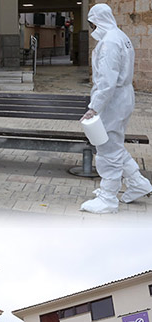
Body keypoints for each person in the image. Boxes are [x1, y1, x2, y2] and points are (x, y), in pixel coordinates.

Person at [81, 4, 152, 214]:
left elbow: (106, 81)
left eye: (92, 23)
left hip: (112, 100)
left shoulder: (109, 42)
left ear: (96, 21)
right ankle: (138, 182)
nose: (92, 27)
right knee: (115, 144)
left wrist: (94, 108)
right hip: (122, 96)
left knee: (107, 149)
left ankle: (108, 197)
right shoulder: (119, 36)